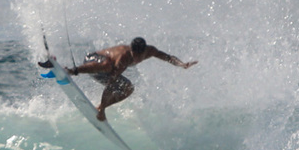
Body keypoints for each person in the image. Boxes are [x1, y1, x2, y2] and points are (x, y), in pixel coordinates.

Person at [60, 37, 197, 121]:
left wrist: (182, 64)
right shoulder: (123, 58)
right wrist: (102, 111)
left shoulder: (151, 51)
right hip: (92, 61)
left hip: (103, 72)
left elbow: (168, 57)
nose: (135, 58)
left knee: (129, 89)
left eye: (138, 56)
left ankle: (101, 106)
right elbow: (111, 83)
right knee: (108, 66)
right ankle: (72, 70)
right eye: (133, 54)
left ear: (144, 52)